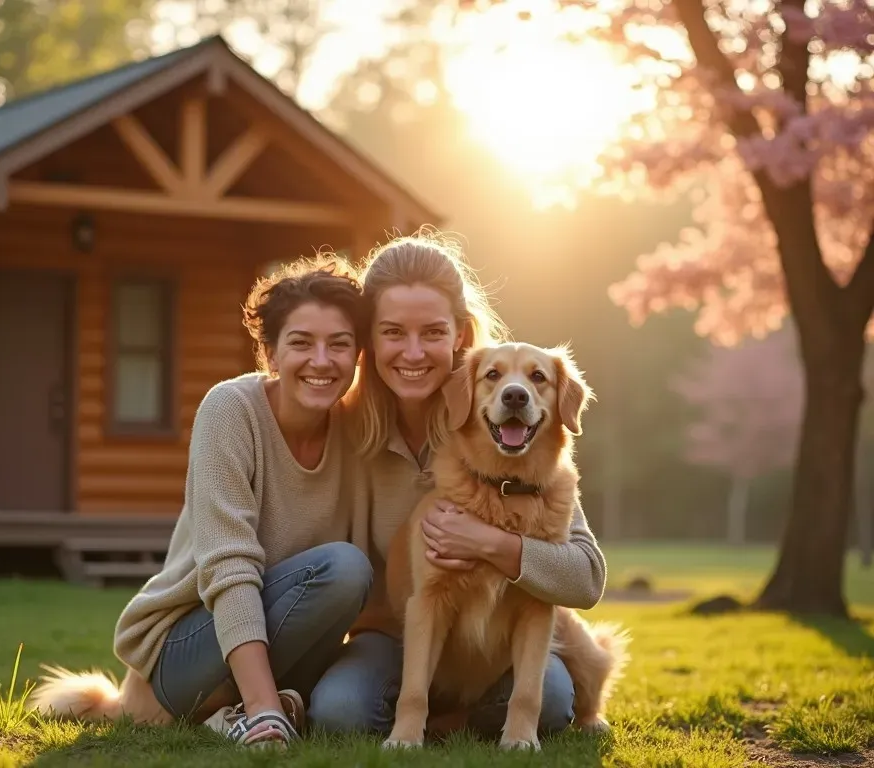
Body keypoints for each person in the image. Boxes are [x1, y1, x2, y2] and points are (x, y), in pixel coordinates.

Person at [32, 254, 372, 748]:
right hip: (183, 650)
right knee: (343, 568)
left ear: (357, 356)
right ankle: (249, 707)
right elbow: (228, 570)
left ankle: (230, 714)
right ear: (271, 355)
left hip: (273, 638)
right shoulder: (230, 410)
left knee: (349, 575)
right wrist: (265, 713)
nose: (321, 361)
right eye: (301, 343)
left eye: (339, 345)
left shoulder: (359, 431)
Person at [307, 230, 608, 740]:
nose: (413, 351)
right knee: (339, 714)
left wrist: (493, 544)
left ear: (460, 334)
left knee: (555, 702)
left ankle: (459, 723)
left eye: (432, 332)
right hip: (394, 633)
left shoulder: (531, 458)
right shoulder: (342, 424)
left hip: (498, 645)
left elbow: (584, 579)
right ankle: (442, 720)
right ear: (370, 340)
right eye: (393, 332)